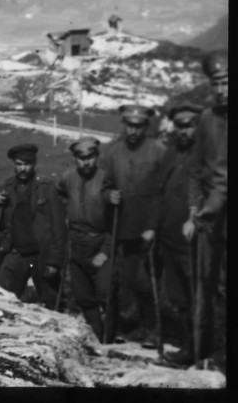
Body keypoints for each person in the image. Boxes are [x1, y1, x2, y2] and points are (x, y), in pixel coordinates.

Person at [101, 104, 166, 345]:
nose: (133, 131)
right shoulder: (113, 152)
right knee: (128, 280)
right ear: (124, 125)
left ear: (146, 127)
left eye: (138, 126)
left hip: (151, 230)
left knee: (147, 281)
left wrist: (153, 226)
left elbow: (164, 192)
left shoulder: (159, 151)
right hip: (125, 228)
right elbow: (105, 186)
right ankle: (134, 326)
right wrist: (109, 196)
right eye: (130, 125)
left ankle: (154, 330)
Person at [182, 50, 227, 364]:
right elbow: (196, 170)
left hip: (222, 212)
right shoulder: (207, 119)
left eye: (227, 82)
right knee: (205, 287)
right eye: (216, 84)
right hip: (210, 220)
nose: (222, 90)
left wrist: (210, 205)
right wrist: (193, 210)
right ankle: (203, 353)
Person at [57, 137, 116, 342]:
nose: (86, 162)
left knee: (105, 293)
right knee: (83, 296)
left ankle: (110, 336)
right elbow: (61, 198)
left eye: (90, 157)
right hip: (76, 244)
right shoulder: (67, 179)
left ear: (96, 157)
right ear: (75, 159)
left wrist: (106, 251)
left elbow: (115, 221)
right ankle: (97, 337)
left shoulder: (106, 179)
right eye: (81, 158)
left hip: (99, 243)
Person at [156, 103, 202, 365]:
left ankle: (206, 351)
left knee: (200, 298)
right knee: (181, 299)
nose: (184, 130)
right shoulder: (170, 155)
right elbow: (158, 192)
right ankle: (189, 349)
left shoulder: (211, 155)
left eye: (190, 125)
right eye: (180, 126)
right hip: (170, 239)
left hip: (198, 242)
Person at [0, 143, 66, 307]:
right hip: (16, 253)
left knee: (52, 301)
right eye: (19, 164)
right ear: (14, 164)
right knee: (1, 298)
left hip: (42, 255)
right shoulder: (7, 187)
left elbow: (59, 227)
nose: (23, 169)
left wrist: (54, 261)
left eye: (27, 164)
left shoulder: (46, 187)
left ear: (34, 164)